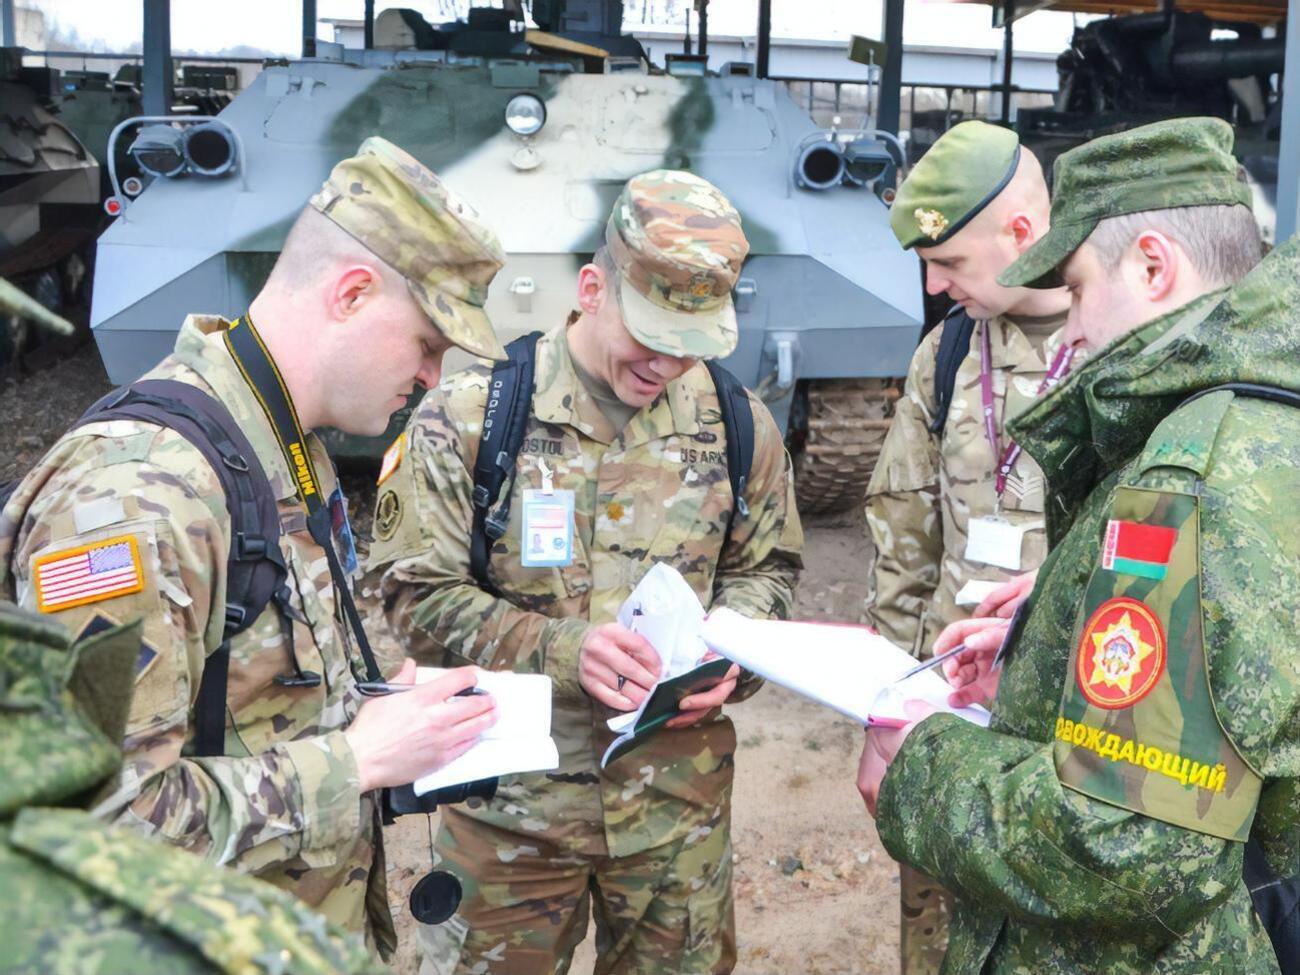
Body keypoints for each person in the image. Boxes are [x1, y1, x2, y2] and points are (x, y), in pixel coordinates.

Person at [0, 137, 505, 956]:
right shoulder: (139, 494)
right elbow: (94, 826)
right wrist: (357, 758)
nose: (433, 380)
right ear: (351, 293)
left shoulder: (279, 440)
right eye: (426, 344)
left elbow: (244, 696)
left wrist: (372, 708)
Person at [858, 117, 1297, 972]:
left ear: (1154, 266)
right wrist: (1059, 614)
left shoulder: (1191, 481)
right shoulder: (1263, 416)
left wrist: (923, 769)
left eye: (1079, 283)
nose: (1072, 325)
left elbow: (1126, 837)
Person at [369, 168, 803, 974]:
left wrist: (732, 653)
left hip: (677, 819)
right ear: (592, 287)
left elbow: (767, 571)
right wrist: (567, 648)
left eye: (693, 342)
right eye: (651, 335)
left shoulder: (740, 425)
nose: (669, 363)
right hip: (509, 818)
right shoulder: (474, 416)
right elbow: (412, 594)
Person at [865, 120, 1076, 974]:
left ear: (1022, 234)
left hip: (1066, 740)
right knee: (938, 938)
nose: (932, 283)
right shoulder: (946, 354)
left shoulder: (1119, 354)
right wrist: (887, 708)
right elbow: (901, 538)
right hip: (951, 715)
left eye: (948, 262)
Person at [0, 600, 383, 975]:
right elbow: (118, 813)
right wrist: (349, 762)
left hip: (305, 903)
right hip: (220, 934)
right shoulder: (133, 541)